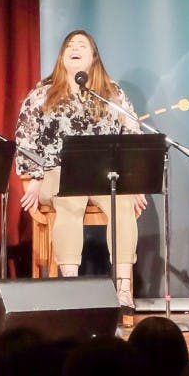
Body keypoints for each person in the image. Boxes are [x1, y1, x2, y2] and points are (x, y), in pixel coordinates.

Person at [15, 29, 146, 325]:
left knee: (122, 202)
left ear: (93, 58)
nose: (74, 49)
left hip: (102, 173)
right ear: (62, 57)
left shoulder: (111, 93)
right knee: (70, 199)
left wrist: (134, 181)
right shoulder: (42, 93)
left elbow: (132, 135)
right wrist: (34, 176)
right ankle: (70, 288)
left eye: (82, 46)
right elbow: (25, 139)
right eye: (69, 46)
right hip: (55, 172)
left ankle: (123, 289)